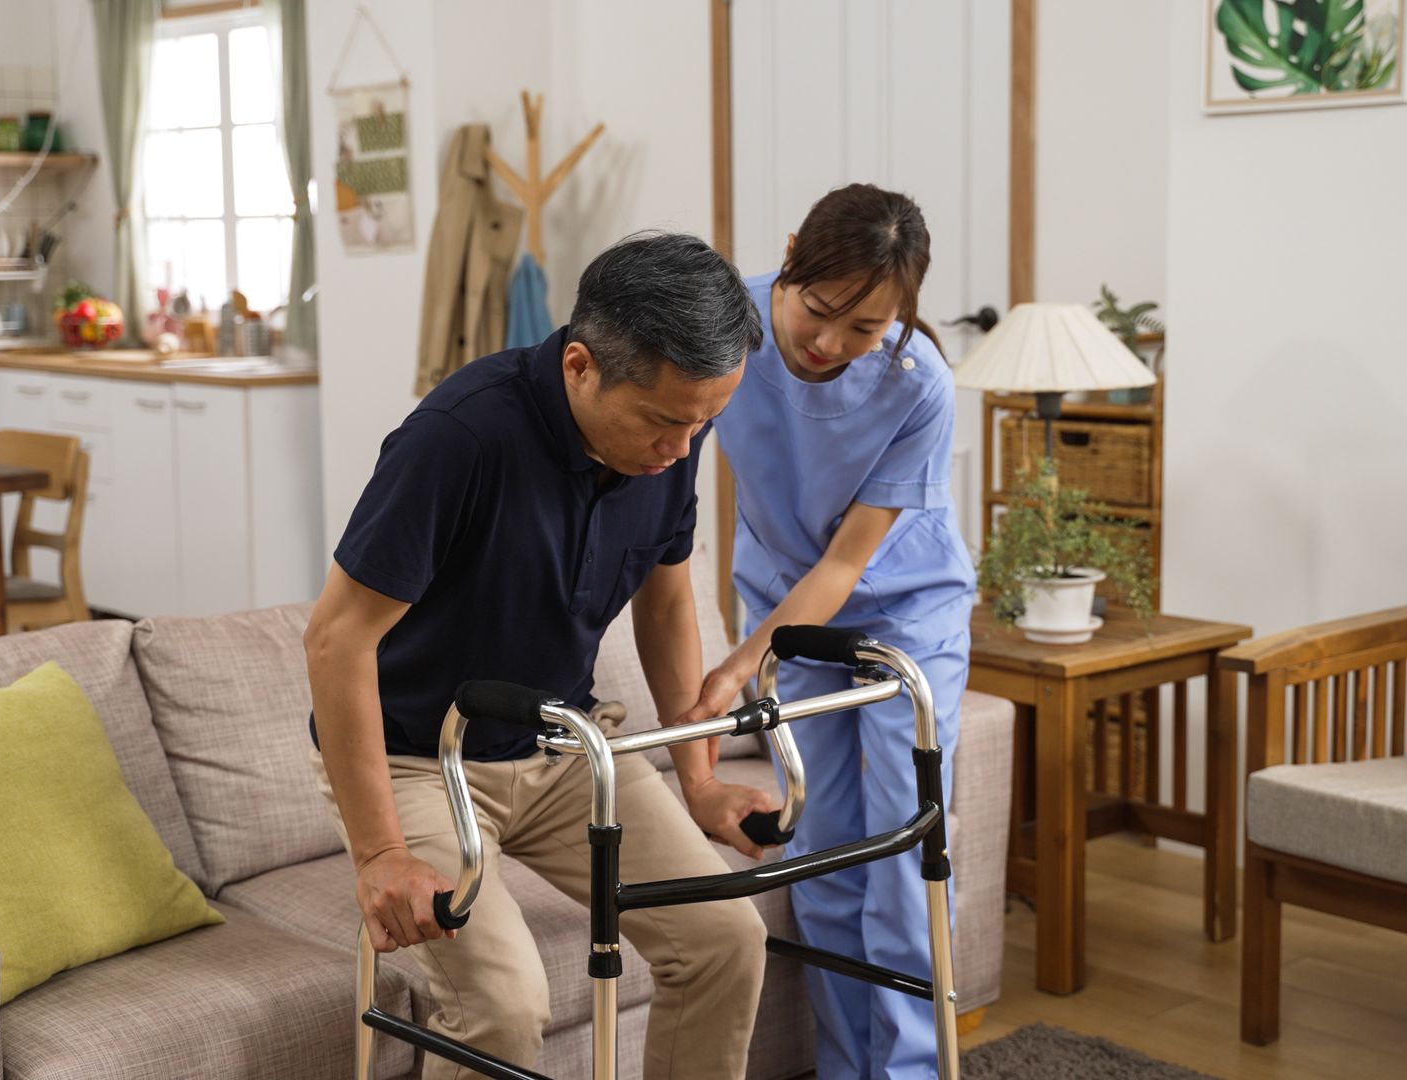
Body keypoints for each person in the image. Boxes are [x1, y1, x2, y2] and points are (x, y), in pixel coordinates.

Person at [304, 231, 779, 1079]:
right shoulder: (458, 438)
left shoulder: (678, 425)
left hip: (565, 745)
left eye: (708, 420)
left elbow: (667, 600)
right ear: (580, 367)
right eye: (668, 421)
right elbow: (337, 639)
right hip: (422, 761)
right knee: (504, 1005)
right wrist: (381, 854)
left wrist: (699, 779)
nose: (684, 445)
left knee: (725, 937)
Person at [683, 184, 976, 1079]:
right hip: (781, 607)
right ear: (792, 253)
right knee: (820, 850)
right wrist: (755, 646)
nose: (831, 344)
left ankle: (912, 1073)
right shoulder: (719, 326)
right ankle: (849, 1069)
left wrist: (740, 663)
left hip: (904, 614)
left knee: (900, 854)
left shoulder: (918, 382)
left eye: (866, 328)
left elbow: (848, 564)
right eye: (820, 312)